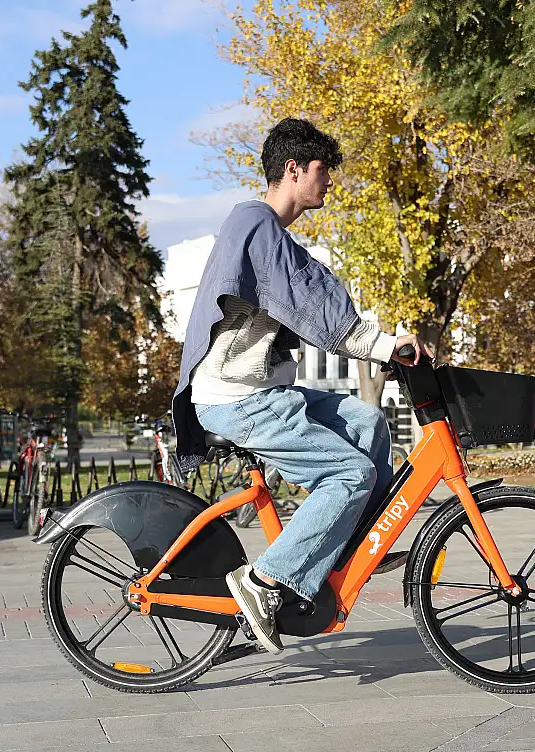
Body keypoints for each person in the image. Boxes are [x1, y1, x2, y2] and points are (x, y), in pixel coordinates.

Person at [171, 118, 431, 655]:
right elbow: (313, 302)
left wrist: (382, 342)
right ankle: (263, 581)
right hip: (237, 401)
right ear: (293, 170)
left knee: (367, 422)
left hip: (259, 393)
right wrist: (386, 346)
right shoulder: (257, 222)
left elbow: (305, 290)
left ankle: (350, 541)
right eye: (322, 170)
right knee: (351, 473)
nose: (329, 181)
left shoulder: (267, 233)